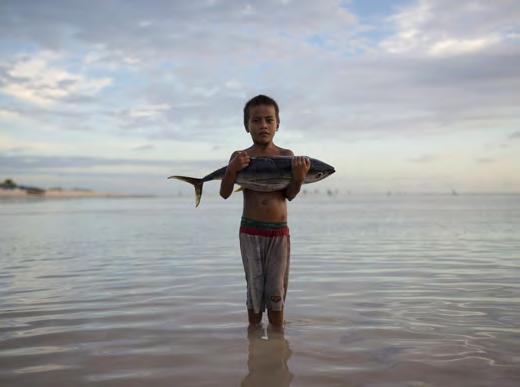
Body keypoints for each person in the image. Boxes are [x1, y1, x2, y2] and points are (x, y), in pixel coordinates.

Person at [220, 94, 310, 327]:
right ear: (246, 125)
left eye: (269, 120)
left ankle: (277, 345)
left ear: (277, 124)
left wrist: (298, 178)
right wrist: (232, 170)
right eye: (256, 120)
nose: (263, 125)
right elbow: (225, 192)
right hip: (250, 231)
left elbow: (288, 195)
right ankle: (254, 339)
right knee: (254, 288)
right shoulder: (239, 157)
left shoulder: (287, 156)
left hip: (278, 233)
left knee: (275, 291)